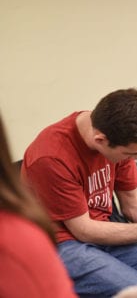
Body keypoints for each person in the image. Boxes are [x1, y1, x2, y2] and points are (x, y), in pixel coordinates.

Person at [21, 88, 137, 297]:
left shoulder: (116, 133)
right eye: (130, 154)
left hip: (102, 228)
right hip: (60, 242)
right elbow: (83, 230)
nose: (135, 159)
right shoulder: (52, 157)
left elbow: (133, 204)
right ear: (100, 140)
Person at [0, 112, 77, 298]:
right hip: (71, 240)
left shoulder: (14, 240)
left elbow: (132, 203)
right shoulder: (50, 155)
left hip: (69, 241)